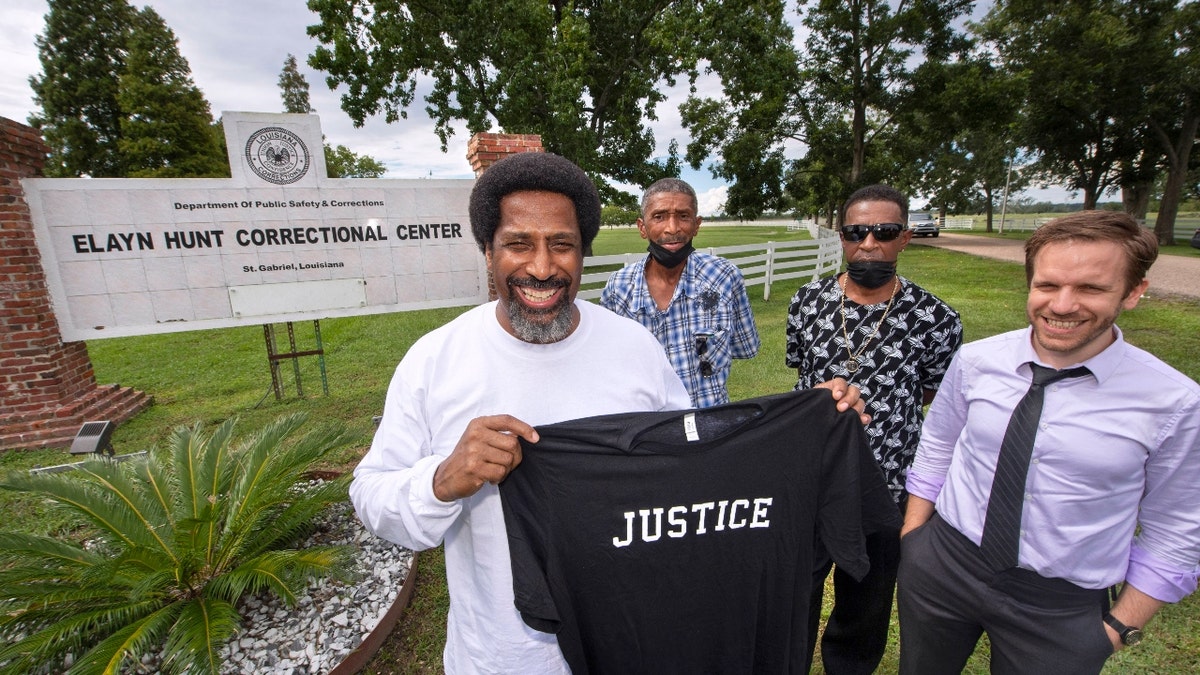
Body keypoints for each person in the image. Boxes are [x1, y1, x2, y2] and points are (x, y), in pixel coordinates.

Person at [349, 152, 866, 674]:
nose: (543, 267)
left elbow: (695, 470)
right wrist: (440, 481)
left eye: (563, 245)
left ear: (584, 251)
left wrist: (808, 421)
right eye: (518, 244)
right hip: (506, 657)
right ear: (488, 251)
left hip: (637, 642)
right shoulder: (435, 360)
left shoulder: (633, 347)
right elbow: (371, 496)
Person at [898, 210, 1200, 674]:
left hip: (1060, 602)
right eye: (1048, 285)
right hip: (945, 563)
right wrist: (915, 540)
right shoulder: (977, 361)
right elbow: (938, 446)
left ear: (1134, 291)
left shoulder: (1174, 402)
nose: (1062, 305)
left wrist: (1121, 626)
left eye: (1090, 288)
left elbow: (1178, 527)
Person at [785, 184, 963, 674]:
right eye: (855, 231)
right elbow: (800, 374)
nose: (869, 243)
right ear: (842, 237)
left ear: (904, 238)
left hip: (887, 481)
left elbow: (931, 394)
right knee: (795, 588)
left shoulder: (937, 318)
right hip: (810, 476)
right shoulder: (807, 302)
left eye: (883, 232)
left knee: (867, 599)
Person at [600, 178, 760, 408]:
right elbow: (611, 366)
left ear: (696, 225)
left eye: (683, 216)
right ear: (642, 227)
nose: (672, 228)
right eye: (659, 216)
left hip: (712, 427)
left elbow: (745, 347)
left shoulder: (725, 277)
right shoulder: (618, 289)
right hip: (648, 430)